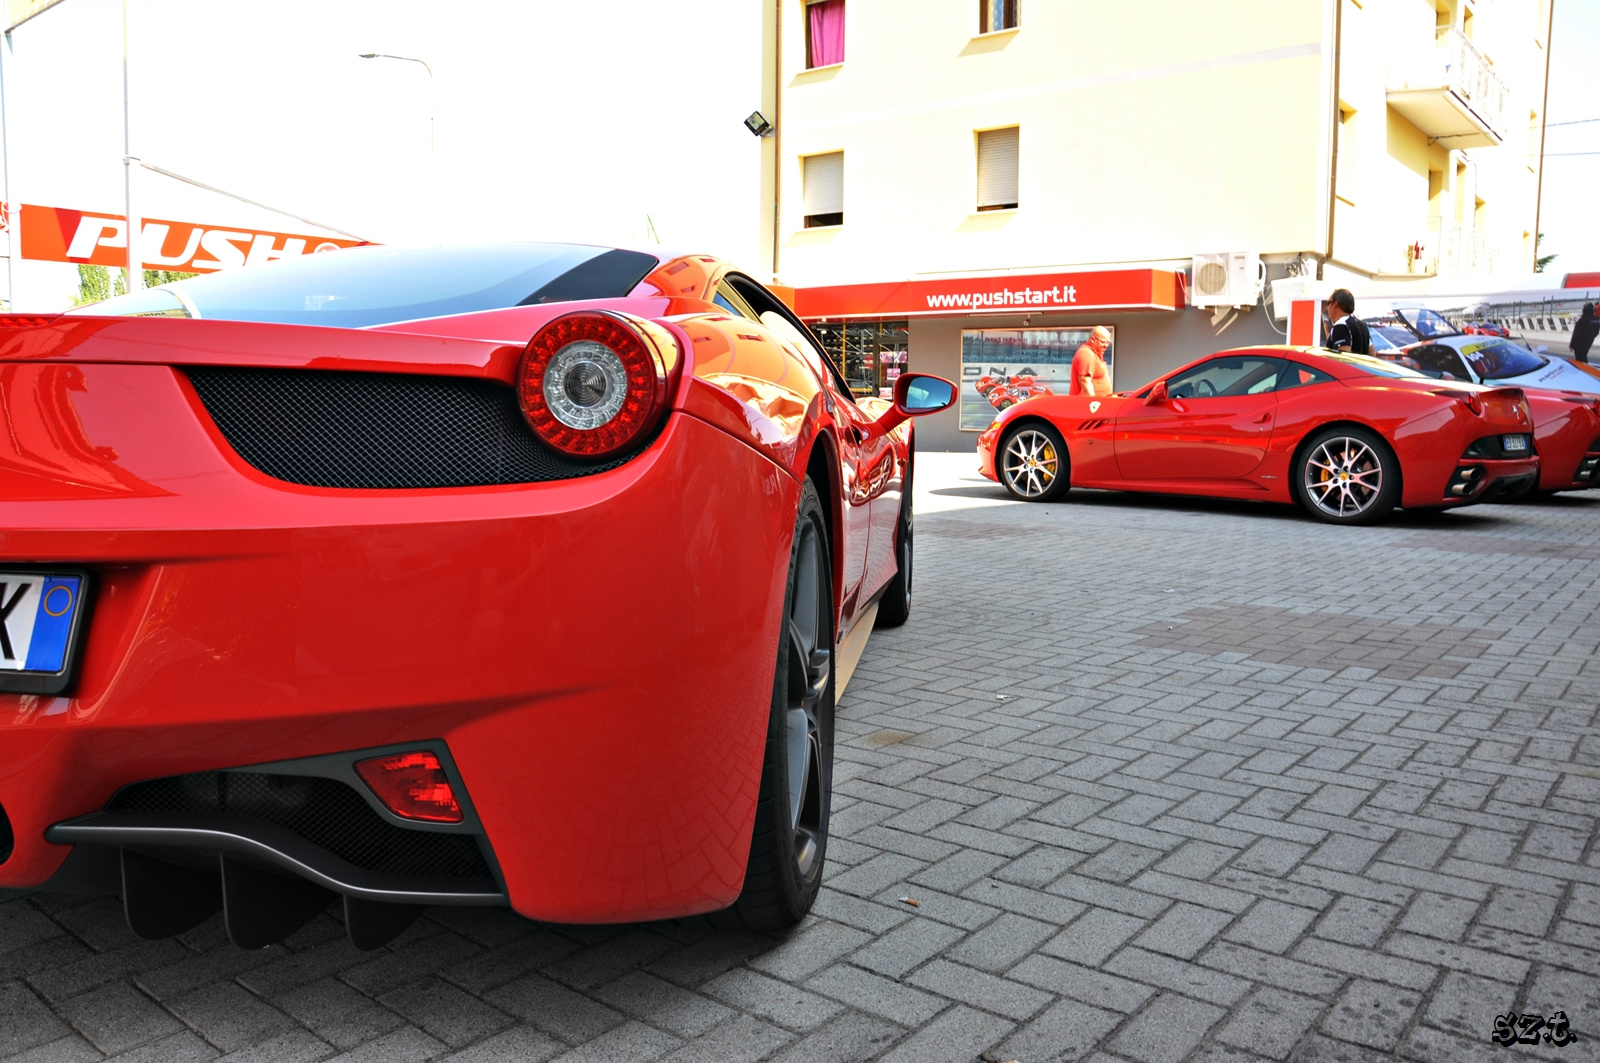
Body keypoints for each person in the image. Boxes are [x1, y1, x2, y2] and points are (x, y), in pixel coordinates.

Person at [1323, 289, 1370, 354]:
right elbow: (1372, 354)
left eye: (1328, 303)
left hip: (1349, 364)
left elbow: (1343, 357)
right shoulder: (1362, 325)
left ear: (1336, 304)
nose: (1327, 307)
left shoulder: (1341, 325)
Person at [1069, 326, 1113, 396]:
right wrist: (1093, 403)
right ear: (1093, 339)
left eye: (1108, 342)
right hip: (1088, 405)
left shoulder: (1096, 353)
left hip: (1102, 403)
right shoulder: (1087, 354)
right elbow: (1085, 381)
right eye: (1103, 342)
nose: (1106, 345)